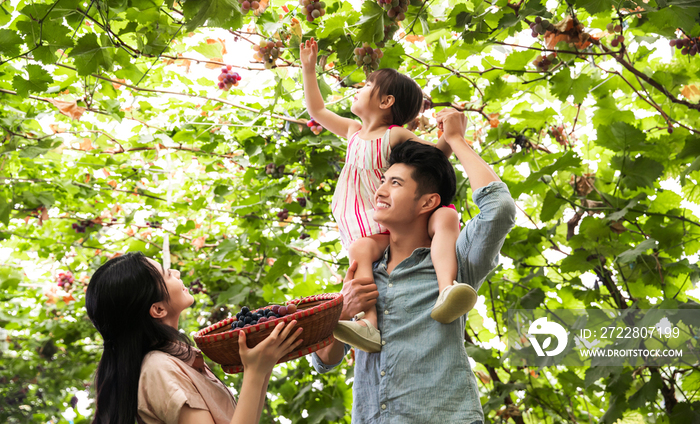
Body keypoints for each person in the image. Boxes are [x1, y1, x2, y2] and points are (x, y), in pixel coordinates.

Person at [311, 109, 517, 423]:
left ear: (427, 202)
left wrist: (456, 141)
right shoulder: (364, 266)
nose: (379, 191)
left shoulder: (456, 262)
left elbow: (499, 208)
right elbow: (324, 362)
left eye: (395, 183)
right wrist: (339, 312)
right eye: (382, 181)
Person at [300, 37, 477, 353]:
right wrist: (309, 69)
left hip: (386, 225)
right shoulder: (354, 132)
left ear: (385, 102)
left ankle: (446, 289)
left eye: (367, 85)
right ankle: (368, 324)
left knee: (371, 247)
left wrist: (451, 138)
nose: (359, 87)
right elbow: (317, 109)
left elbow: (431, 161)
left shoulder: (394, 135)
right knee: (360, 252)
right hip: (360, 226)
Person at [85, 252, 304, 424]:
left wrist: (262, 365)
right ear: (158, 309)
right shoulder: (159, 369)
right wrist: (255, 372)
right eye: (167, 274)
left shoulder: (178, 360)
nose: (177, 272)